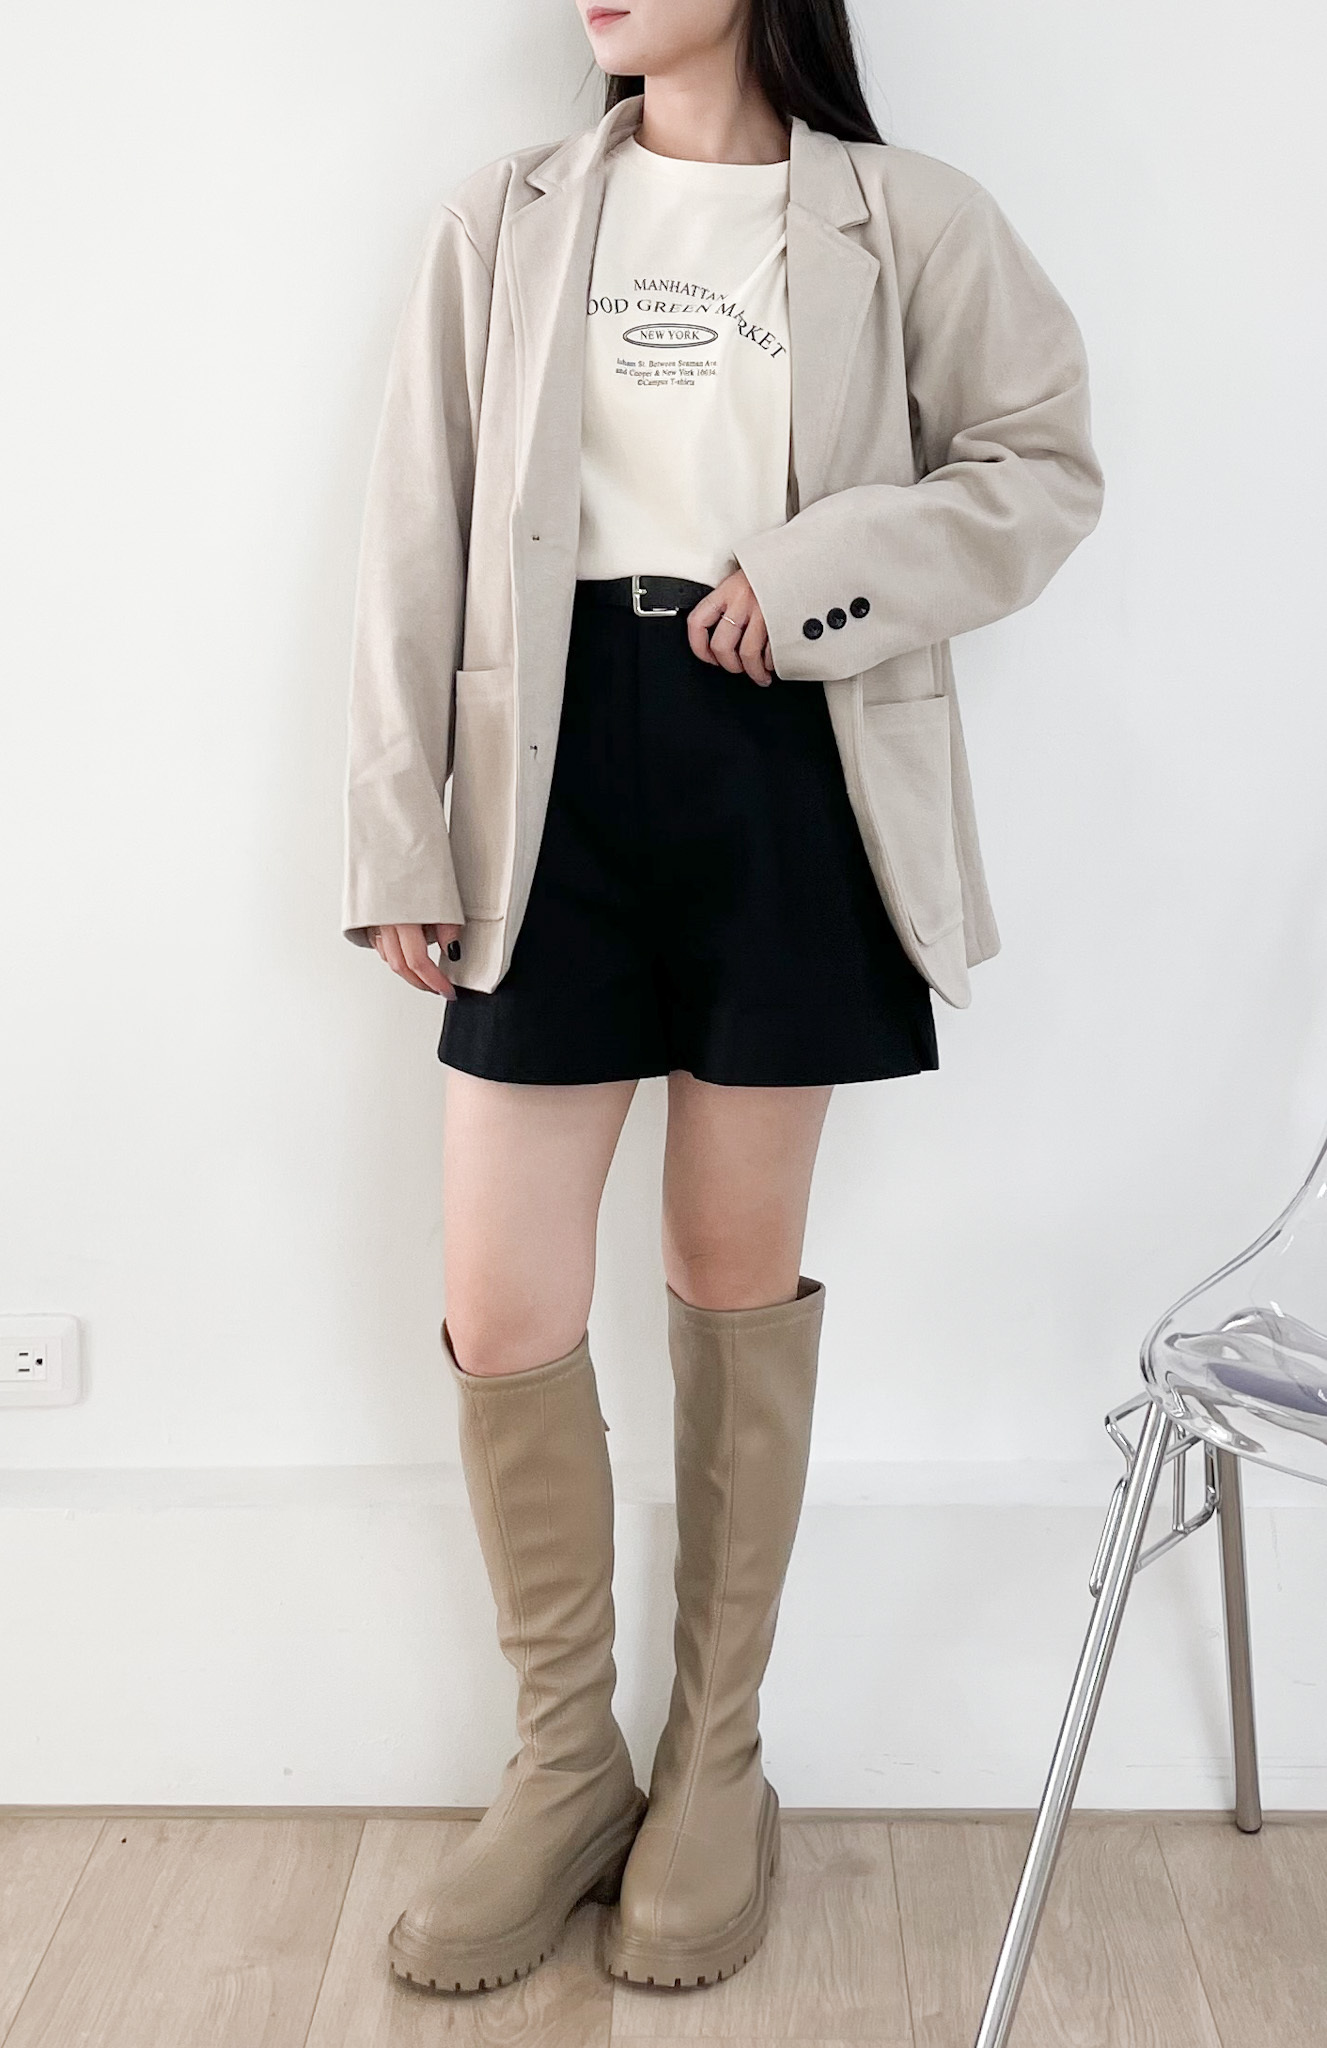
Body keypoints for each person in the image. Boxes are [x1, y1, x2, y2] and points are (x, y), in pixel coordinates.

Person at [340, 0, 1104, 1999]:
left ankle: (713, 1766)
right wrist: (399, 831)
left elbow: (1041, 467)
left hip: (789, 761)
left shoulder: (907, 218)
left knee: (726, 1274)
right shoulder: (504, 218)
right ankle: (564, 1763)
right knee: (503, 1298)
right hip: (544, 775)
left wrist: (828, 563)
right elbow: (415, 527)